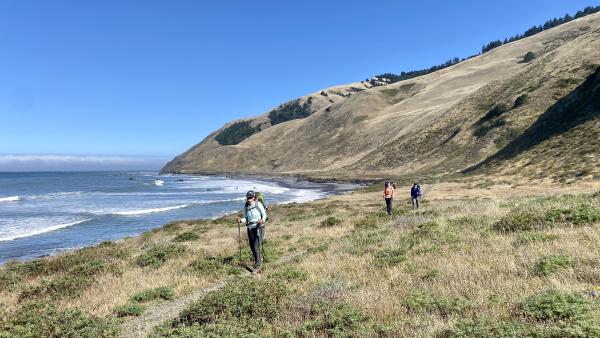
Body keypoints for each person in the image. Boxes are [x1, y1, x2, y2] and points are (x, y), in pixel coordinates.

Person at [236, 190, 267, 274]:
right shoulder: (246, 206)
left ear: (254, 197)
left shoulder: (258, 204)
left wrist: (262, 220)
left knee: (256, 247)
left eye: (250, 197)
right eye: (248, 197)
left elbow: (264, 214)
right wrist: (240, 220)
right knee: (252, 247)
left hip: (259, 227)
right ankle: (259, 259)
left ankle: (258, 266)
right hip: (250, 228)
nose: (249, 198)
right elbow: (246, 218)